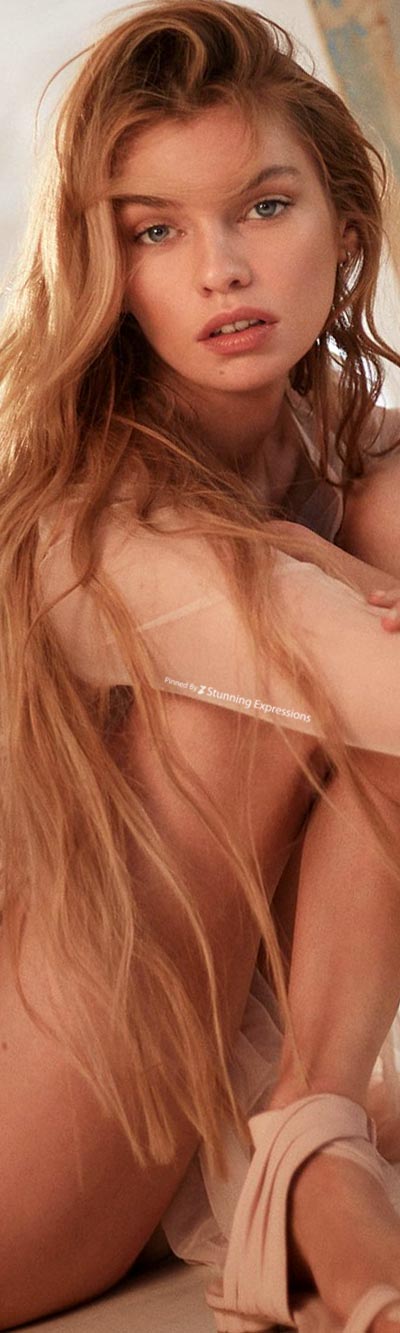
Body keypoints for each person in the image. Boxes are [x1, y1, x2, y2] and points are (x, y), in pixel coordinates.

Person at [1, 1, 400, 1329]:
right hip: (31, 1123)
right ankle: (318, 1152)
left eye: (264, 208)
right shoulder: (90, 523)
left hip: (179, 1074)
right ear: (102, 268)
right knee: (262, 690)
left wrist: (355, 550)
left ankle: (314, 1136)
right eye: (154, 231)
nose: (221, 269)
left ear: (346, 225)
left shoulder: (348, 451)